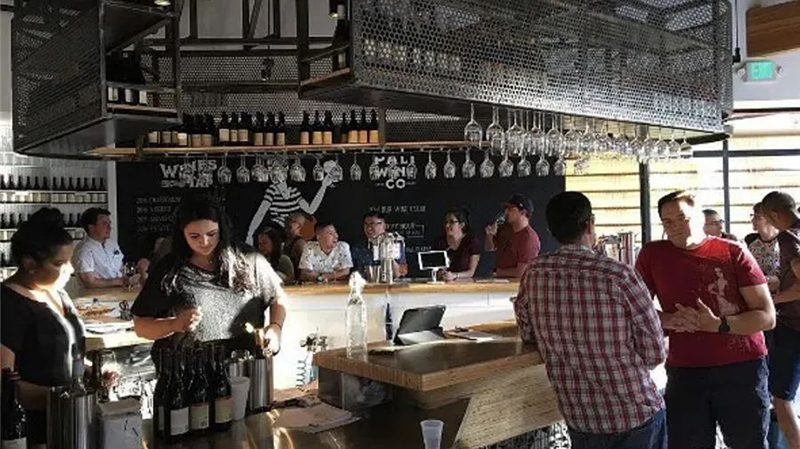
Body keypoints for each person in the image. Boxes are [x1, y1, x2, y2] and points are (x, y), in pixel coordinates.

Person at [514, 192, 666, 448]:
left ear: (550, 230)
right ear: (589, 225)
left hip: (580, 417)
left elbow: (528, 335)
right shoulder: (619, 274)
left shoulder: (534, 273)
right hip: (634, 411)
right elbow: (655, 353)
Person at [636, 191, 776, 449]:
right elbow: (636, 311)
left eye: (683, 218)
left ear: (700, 217)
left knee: (749, 443)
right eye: (668, 222)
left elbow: (767, 317)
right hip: (685, 370)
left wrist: (719, 324)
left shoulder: (732, 251)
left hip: (741, 367)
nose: (676, 226)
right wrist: (670, 319)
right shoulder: (652, 254)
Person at [131, 195, 287, 362]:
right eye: (194, 236)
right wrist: (174, 324)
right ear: (182, 234)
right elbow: (141, 326)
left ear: (222, 229)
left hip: (245, 365)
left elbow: (278, 298)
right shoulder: (169, 268)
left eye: (212, 234)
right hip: (188, 368)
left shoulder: (249, 259)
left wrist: (275, 328)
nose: (205, 242)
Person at [1, 209, 89, 446]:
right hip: (30, 431)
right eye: (60, 263)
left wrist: (93, 371)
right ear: (29, 264)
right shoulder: (8, 304)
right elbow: (4, 384)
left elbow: (66, 352)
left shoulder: (58, 294)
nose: (70, 270)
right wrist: (62, 398)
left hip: (70, 422)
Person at [760, 191, 800, 448]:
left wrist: (771, 300)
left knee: (781, 399)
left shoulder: (788, 236)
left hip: (793, 327)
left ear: (774, 215)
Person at [72, 207, 141, 288]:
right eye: (104, 224)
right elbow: (89, 282)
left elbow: (120, 268)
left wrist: (133, 275)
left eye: (109, 224)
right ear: (91, 227)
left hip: (121, 291)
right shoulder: (84, 249)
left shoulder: (112, 244)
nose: (109, 227)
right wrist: (121, 281)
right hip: (98, 294)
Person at [484, 193, 541, 278]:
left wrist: (497, 273)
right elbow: (489, 248)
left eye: (511, 209)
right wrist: (490, 235)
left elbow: (521, 272)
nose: (506, 212)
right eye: (506, 209)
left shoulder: (529, 238)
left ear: (523, 212)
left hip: (515, 284)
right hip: (499, 281)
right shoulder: (505, 228)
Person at [351, 211, 408, 280]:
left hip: (391, 284)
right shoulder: (358, 247)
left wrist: (387, 252)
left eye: (372, 224)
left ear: (384, 226)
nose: (369, 228)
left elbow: (400, 273)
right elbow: (354, 273)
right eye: (366, 225)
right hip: (365, 284)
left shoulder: (395, 243)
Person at [434, 207, 480, 281]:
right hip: (443, 283)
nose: (447, 225)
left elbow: (471, 272)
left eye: (451, 222)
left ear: (462, 224)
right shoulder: (440, 242)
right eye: (446, 222)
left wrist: (454, 275)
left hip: (466, 284)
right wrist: (441, 273)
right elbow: (435, 268)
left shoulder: (471, 242)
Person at [747, 202, 781, 293]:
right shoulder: (750, 241)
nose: (753, 220)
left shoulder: (785, 242)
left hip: (782, 294)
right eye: (753, 216)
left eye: (758, 217)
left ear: (772, 219)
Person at [283, 212, 309, 279]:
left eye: (290, 220)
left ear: (299, 226)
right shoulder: (287, 240)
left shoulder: (300, 243)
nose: (286, 222)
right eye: (286, 219)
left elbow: (304, 268)